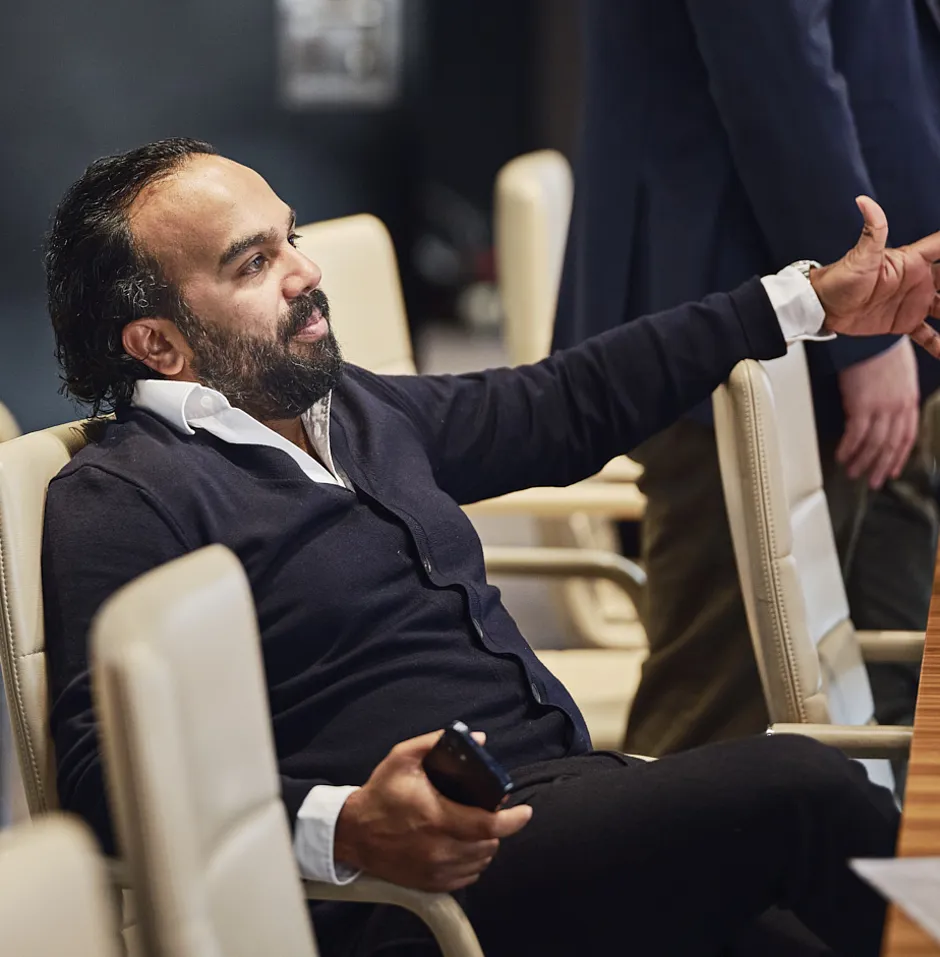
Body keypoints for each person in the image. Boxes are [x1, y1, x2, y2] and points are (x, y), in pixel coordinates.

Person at [42, 139, 940, 957]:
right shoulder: (122, 496)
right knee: (799, 788)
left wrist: (808, 301)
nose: (304, 272)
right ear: (158, 343)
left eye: (290, 238)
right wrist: (345, 823)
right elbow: (100, 773)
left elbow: (567, 400)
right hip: (411, 900)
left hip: (569, 817)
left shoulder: (350, 409)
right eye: (254, 262)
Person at [554, 0, 940, 760]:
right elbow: (776, 69)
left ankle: (869, 878)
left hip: (872, 307)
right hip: (757, 296)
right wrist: (863, 331)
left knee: (875, 704)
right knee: (721, 712)